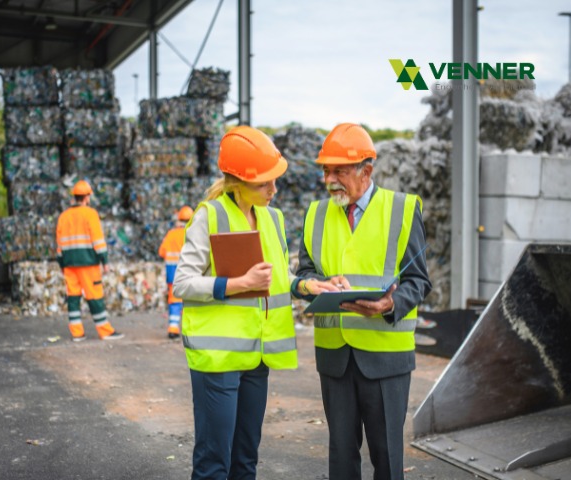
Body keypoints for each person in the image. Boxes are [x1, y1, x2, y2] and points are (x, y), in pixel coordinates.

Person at [173, 126, 336, 480]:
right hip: (216, 359)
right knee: (214, 462)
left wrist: (310, 285)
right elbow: (182, 283)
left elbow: (278, 279)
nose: (273, 189)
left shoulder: (272, 218)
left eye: (275, 180)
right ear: (237, 181)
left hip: (256, 355)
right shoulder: (210, 216)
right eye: (265, 183)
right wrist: (238, 284)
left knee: (246, 460)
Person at [293, 123, 431, 480]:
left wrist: (389, 305)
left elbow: (418, 280)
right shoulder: (315, 214)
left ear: (366, 171)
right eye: (326, 170)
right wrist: (315, 285)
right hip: (335, 356)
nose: (330, 179)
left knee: (386, 456)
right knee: (341, 455)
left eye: (339, 170)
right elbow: (304, 274)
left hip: (386, 357)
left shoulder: (401, 209)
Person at [56, 180, 123, 341]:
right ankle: (105, 331)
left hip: (69, 264)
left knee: (73, 298)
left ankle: (77, 333)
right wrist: (105, 261)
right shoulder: (90, 214)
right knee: (94, 296)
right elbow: (98, 241)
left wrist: (61, 263)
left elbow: (59, 243)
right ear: (87, 197)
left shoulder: (64, 216)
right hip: (88, 263)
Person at [158, 205, 194, 339]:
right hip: (188, 274)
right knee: (190, 301)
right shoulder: (192, 233)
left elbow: (162, 252)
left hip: (172, 272)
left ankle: (173, 328)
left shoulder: (171, 234)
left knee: (174, 300)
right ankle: (188, 330)